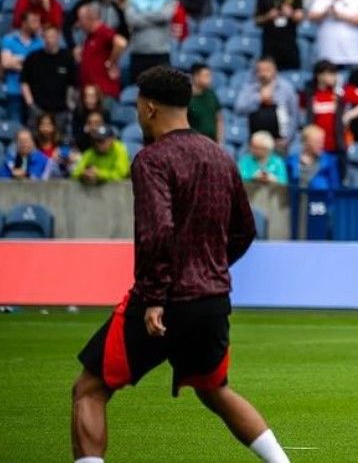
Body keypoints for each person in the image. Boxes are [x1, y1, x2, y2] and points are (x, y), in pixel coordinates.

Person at [70, 66, 291, 463]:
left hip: (163, 301)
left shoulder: (151, 160)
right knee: (215, 390)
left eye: (138, 106)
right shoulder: (221, 157)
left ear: (149, 107)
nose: (138, 113)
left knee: (89, 389)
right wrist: (209, 266)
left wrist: (154, 297)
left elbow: (157, 233)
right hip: (212, 299)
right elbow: (245, 230)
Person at [302, 60, 358, 159]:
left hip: (337, 148)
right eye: (331, 73)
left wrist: (348, 115)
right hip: (316, 149)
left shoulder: (341, 92)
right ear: (320, 75)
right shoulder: (309, 94)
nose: (334, 76)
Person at [21, 25, 76, 130]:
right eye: (47, 37)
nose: (50, 40)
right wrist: (30, 103)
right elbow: (24, 81)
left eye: (53, 36)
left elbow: (71, 84)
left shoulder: (67, 57)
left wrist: (69, 104)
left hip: (60, 110)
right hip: (38, 109)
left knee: (59, 139)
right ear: (43, 38)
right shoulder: (33, 57)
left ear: (58, 37)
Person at [125, 0, 175, 83]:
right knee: (138, 91)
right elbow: (132, 20)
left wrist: (142, 15)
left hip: (160, 52)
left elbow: (165, 16)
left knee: (162, 91)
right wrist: (155, 18)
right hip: (139, 53)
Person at [235, 57, 301, 145]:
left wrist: (287, 139)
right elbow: (239, 108)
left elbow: (294, 115)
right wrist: (259, 98)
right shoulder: (250, 89)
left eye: (267, 70)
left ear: (274, 70)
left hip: (279, 141)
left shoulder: (286, 89)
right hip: (256, 142)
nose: (263, 74)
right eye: (260, 70)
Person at [255, 0, 303, 71]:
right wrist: (268, 16)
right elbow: (257, 21)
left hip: (289, 45)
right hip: (270, 46)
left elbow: (300, 17)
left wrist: (290, 14)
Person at [75, 2, 128, 100]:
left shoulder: (102, 31)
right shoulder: (89, 36)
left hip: (104, 93)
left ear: (89, 18)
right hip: (90, 95)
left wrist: (111, 62)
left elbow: (121, 43)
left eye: (80, 19)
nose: (79, 24)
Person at [65, 0, 129, 50]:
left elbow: (124, 34)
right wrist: (73, 47)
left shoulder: (118, 10)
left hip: (108, 52)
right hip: (87, 50)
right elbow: (67, 25)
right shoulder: (84, 4)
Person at [2, 12, 44, 125]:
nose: (38, 25)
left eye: (38, 22)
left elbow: (40, 67)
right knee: (14, 127)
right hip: (14, 91)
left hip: (35, 93)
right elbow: (5, 63)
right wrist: (30, 63)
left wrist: (18, 59)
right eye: (34, 22)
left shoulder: (41, 42)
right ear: (24, 23)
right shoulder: (9, 40)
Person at [286, 125, 341, 190]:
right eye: (317, 142)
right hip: (298, 198)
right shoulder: (291, 162)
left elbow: (335, 188)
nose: (321, 145)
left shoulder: (329, 162)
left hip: (321, 198)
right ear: (306, 143)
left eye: (322, 141)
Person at [34, 112, 78, 177]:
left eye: (49, 125)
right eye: (42, 125)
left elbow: (72, 156)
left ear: (54, 127)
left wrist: (63, 158)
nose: (46, 128)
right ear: (38, 127)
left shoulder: (61, 143)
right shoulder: (34, 144)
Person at [187, 63, 223, 143]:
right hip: (195, 143)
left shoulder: (211, 94)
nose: (210, 79)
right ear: (196, 76)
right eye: (206, 76)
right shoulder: (187, 99)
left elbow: (219, 118)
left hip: (212, 142)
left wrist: (220, 141)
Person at [72, 86, 110, 151]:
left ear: (97, 97)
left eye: (92, 96)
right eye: (86, 96)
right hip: (83, 145)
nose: (89, 99)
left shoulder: (105, 113)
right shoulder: (78, 112)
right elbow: (76, 136)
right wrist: (86, 130)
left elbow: (108, 134)